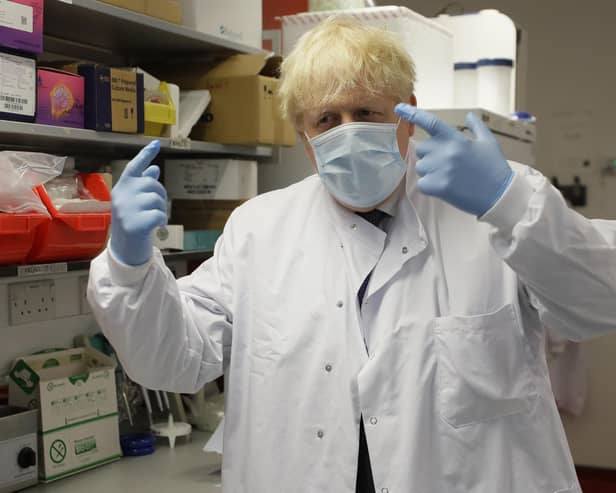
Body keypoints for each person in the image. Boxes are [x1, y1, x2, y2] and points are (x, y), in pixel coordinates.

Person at [88, 16, 616, 493]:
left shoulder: (490, 209)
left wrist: (508, 200)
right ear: (304, 137)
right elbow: (173, 360)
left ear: (408, 115)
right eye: (327, 119)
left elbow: (598, 303)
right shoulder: (259, 230)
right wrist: (130, 263)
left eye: (366, 111)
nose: (348, 131)